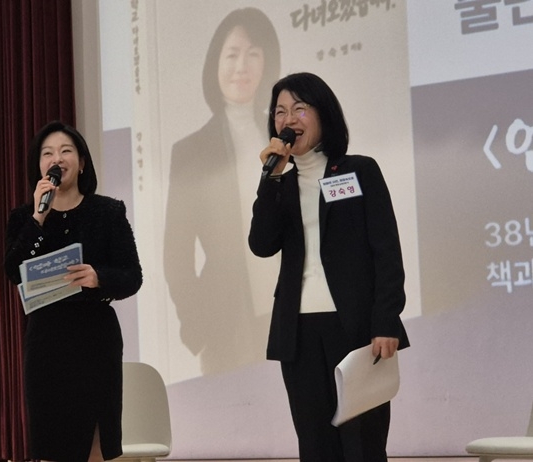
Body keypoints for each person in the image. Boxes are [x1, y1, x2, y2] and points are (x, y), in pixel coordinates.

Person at [248, 72, 410, 462]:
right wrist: (270, 179)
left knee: (363, 444)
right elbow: (261, 244)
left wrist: (386, 320)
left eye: (300, 109)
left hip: (355, 328)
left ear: (323, 114)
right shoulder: (282, 184)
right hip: (298, 330)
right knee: (315, 444)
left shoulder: (359, 170)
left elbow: (386, 251)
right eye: (280, 112)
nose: (289, 120)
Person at [4, 121, 142, 462]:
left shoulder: (108, 212)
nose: (57, 158)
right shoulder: (23, 218)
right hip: (47, 343)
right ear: (39, 166)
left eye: (66, 151)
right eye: (47, 153)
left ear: (81, 163)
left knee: (95, 443)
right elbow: (13, 271)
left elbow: (132, 276)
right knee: (51, 445)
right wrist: (38, 218)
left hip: (95, 340)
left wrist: (98, 277)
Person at [163, 7, 280, 375]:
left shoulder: (287, 138)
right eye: (232, 54)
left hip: (293, 312)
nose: (241, 66)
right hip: (227, 328)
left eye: (253, 54)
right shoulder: (191, 152)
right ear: (215, 65)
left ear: (267, 63)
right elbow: (176, 254)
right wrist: (198, 326)